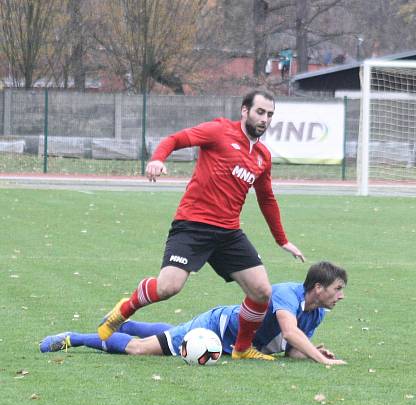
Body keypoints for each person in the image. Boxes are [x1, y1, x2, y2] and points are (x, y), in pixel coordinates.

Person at [96, 90, 305, 362]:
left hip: (228, 233)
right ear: (245, 111)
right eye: (260, 112)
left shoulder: (262, 156)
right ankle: (125, 308)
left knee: (262, 291)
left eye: (269, 115)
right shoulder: (218, 131)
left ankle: (242, 349)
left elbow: (266, 198)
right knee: (167, 288)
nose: (265, 119)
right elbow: (176, 139)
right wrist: (158, 158)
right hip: (193, 226)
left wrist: (282, 239)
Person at [42, 262, 348, 366]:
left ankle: (131, 322)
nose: (341, 295)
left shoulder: (316, 314)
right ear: (318, 287)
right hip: (215, 329)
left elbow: (292, 350)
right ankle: (76, 338)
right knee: (138, 350)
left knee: (173, 333)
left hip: (230, 341)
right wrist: (322, 362)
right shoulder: (286, 294)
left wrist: (313, 353)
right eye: (337, 289)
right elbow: (289, 331)